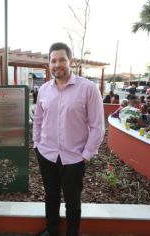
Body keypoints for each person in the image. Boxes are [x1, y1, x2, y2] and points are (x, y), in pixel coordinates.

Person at [33, 42, 105, 236]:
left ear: (70, 61)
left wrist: (87, 154)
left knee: (73, 201)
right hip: (46, 154)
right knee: (51, 196)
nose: (57, 64)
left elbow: (97, 126)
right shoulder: (44, 90)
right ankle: (52, 230)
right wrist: (36, 145)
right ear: (49, 64)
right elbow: (38, 120)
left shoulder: (88, 88)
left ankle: (72, 233)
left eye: (62, 60)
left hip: (74, 157)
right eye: (53, 60)